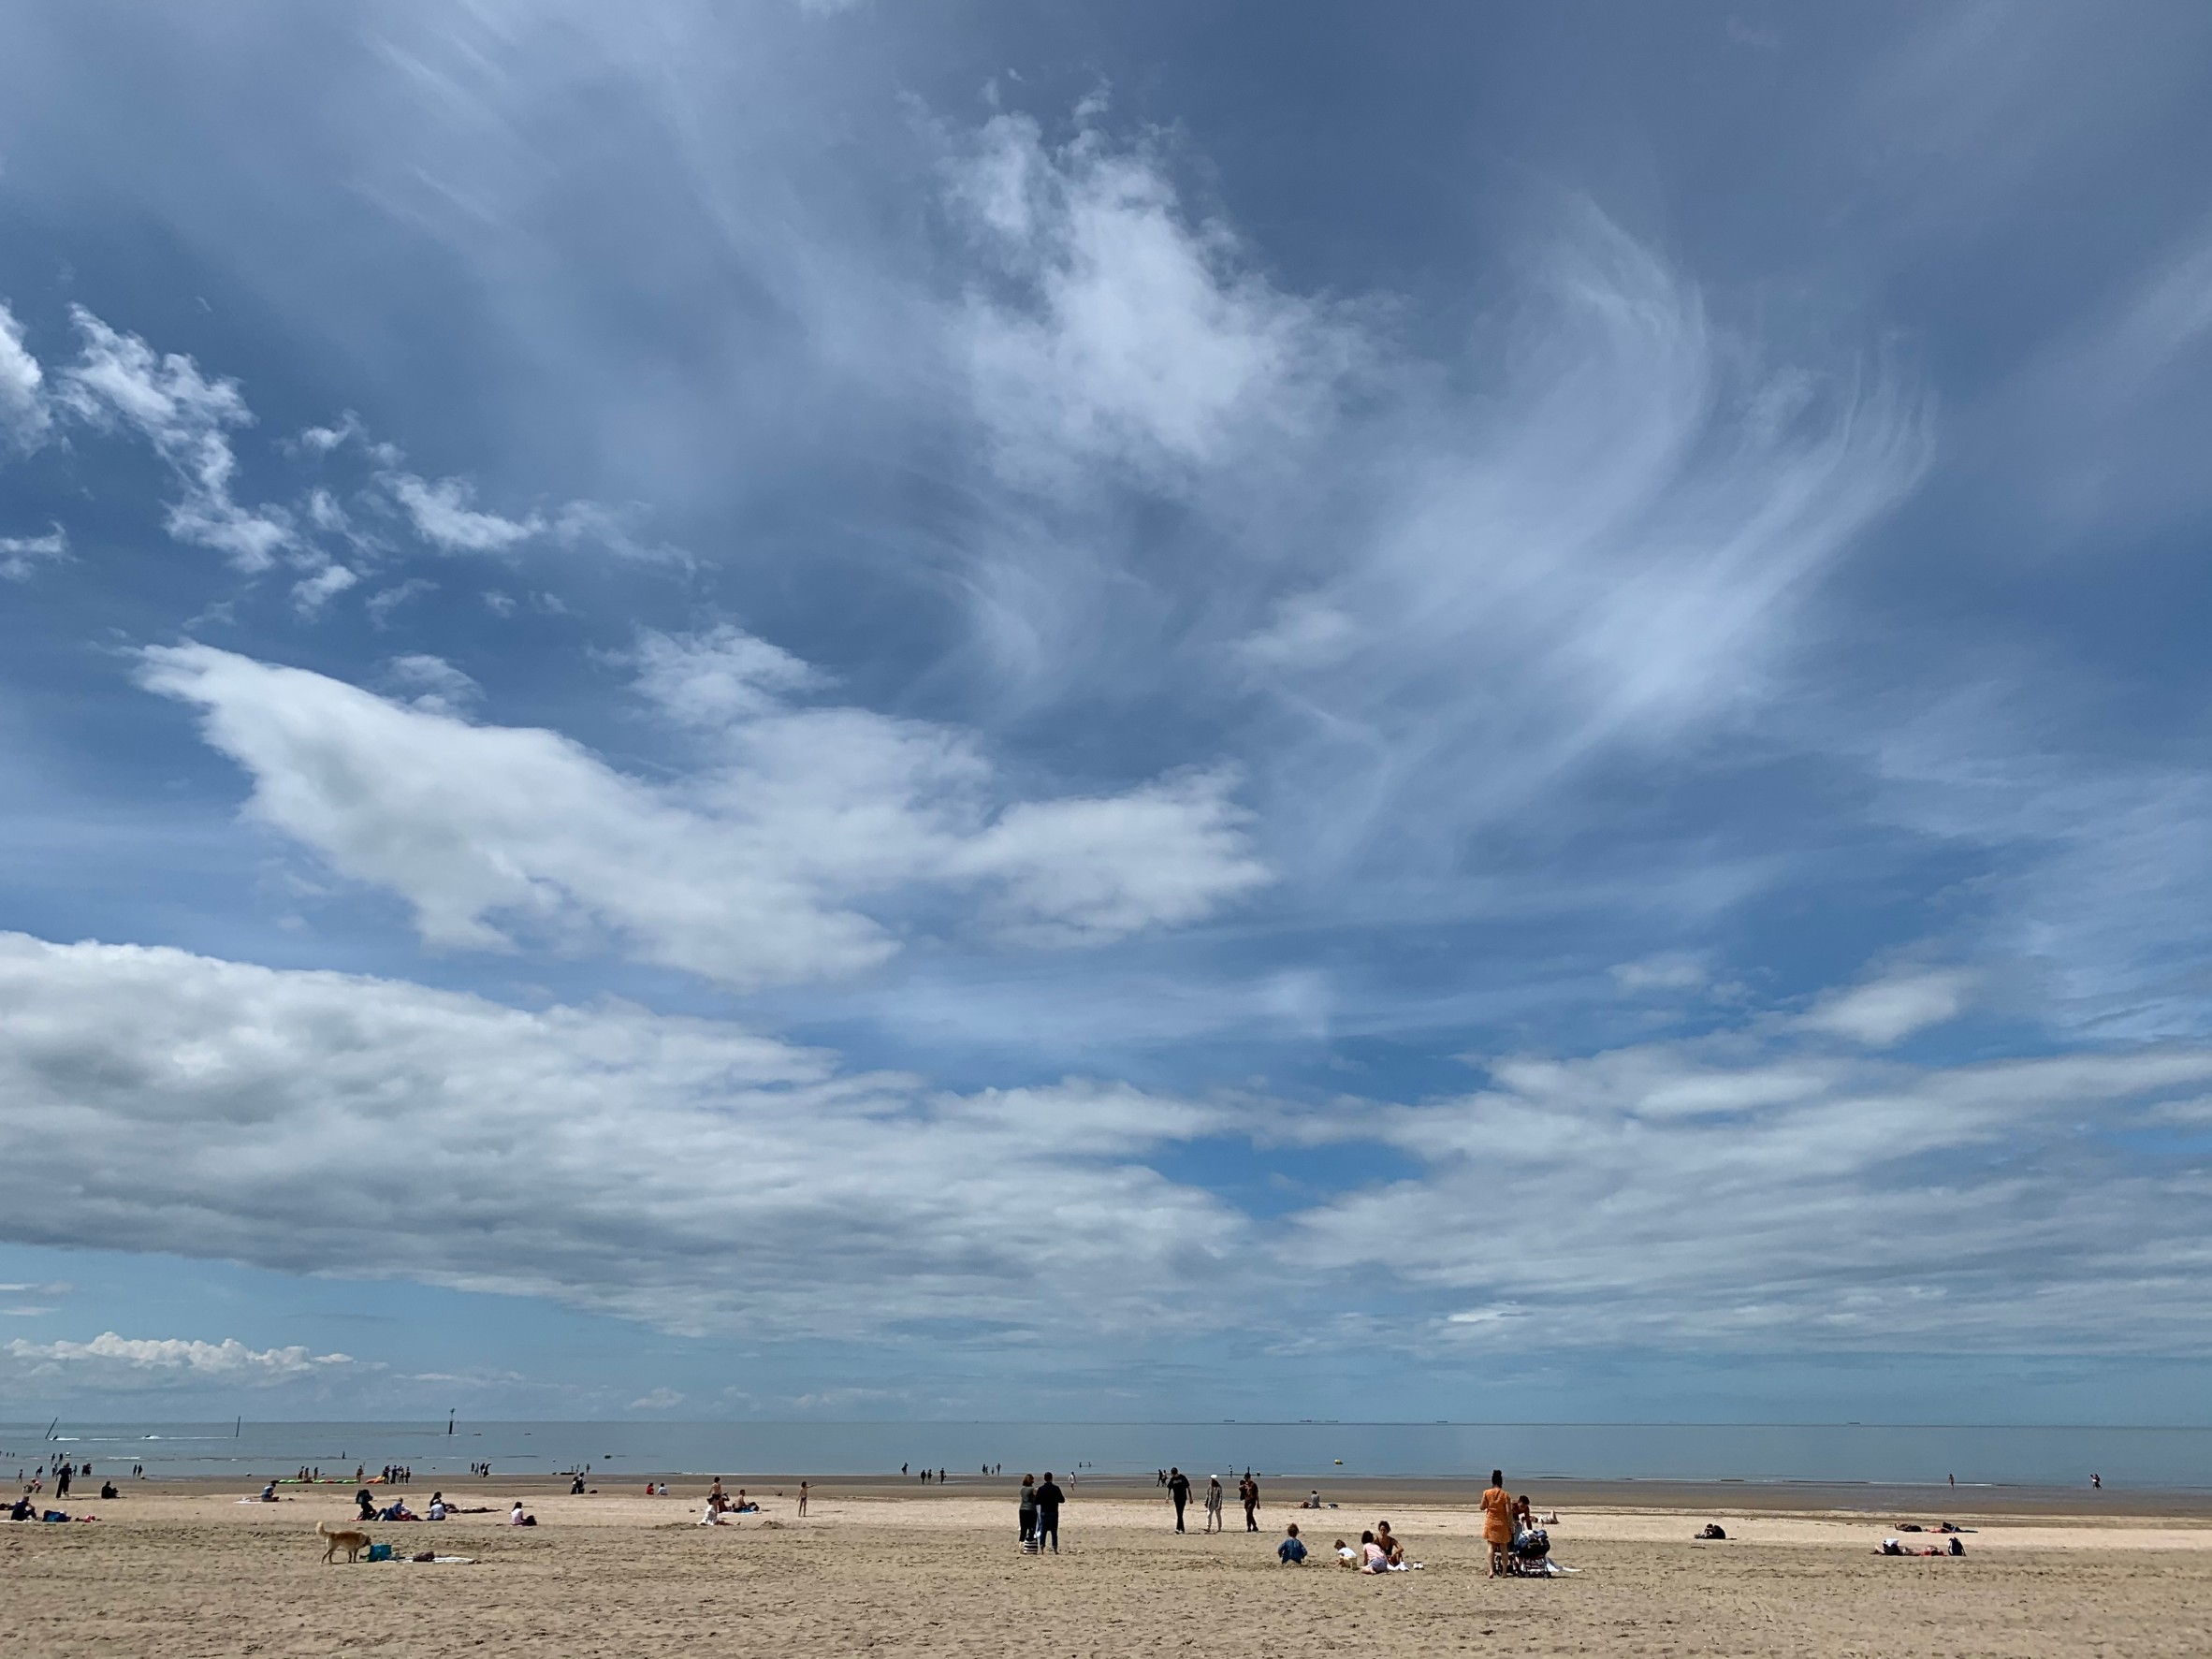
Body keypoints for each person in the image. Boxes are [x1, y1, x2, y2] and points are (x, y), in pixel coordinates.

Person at [1480, 1471, 1514, 1578]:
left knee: (1491, 1546)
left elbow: (1482, 1507)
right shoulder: (1505, 1495)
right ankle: (1504, 1572)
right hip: (1502, 1522)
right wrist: (1511, 1524)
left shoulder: (1486, 1493)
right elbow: (1509, 1511)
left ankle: (1491, 1570)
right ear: (1501, 1482)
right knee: (1504, 1546)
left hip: (1490, 1521)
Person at [1033, 1471, 1064, 1553]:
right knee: (1054, 1531)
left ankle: (1042, 1548)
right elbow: (1062, 1500)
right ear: (1051, 1478)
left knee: (1043, 1531)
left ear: (1044, 1479)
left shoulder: (1041, 1489)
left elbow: (1036, 1502)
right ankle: (1055, 1549)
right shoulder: (1056, 1488)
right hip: (1053, 1511)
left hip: (1044, 1512)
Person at [1167, 1466, 1190, 1532]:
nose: (1172, 1475)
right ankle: (1181, 1529)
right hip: (1176, 1498)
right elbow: (1169, 1488)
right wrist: (1167, 1497)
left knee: (1180, 1513)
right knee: (1179, 1513)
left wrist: (1190, 1498)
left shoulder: (1182, 1477)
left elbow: (1188, 1487)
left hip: (1183, 1498)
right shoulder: (1172, 1479)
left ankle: (1178, 1528)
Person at [1018, 1474, 1038, 1546]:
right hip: (1031, 1509)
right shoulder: (1033, 1489)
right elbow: (1036, 1498)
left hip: (1022, 1509)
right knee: (1032, 1528)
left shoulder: (1022, 1490)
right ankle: (1030, 1543)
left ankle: (1021, 1543)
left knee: (1023, 1528)